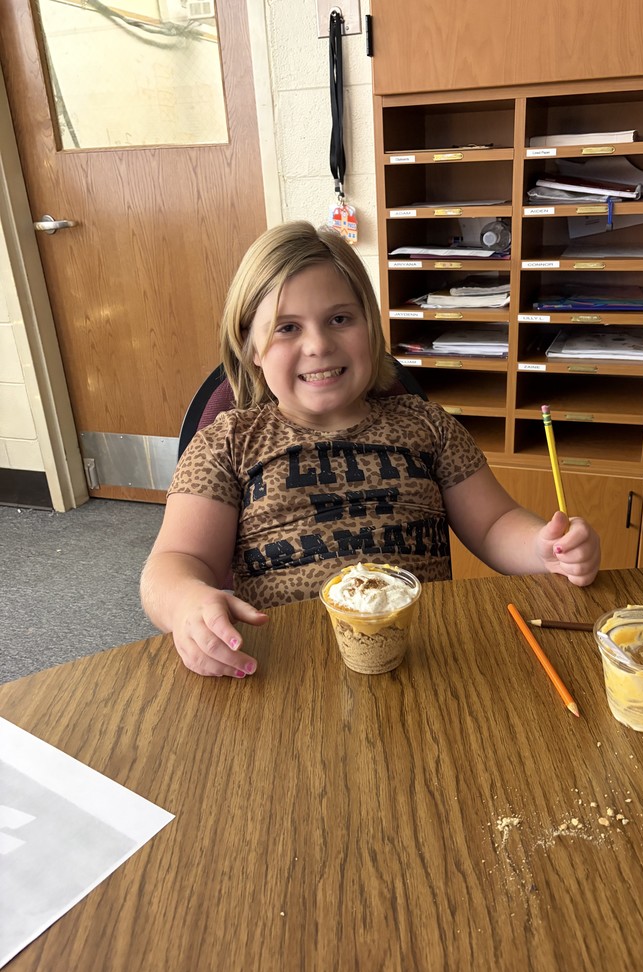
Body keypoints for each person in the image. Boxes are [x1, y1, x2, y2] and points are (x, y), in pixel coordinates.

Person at [141, 221, 600, 677]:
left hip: (423, 657)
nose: (318, 345)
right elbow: (175, 563)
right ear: (251, 348)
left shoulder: (428, 425)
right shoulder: (228, 442)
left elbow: (493, 524)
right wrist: (186, 603)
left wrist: (543, 549)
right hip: (289, 667)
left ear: (370, 326)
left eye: (340, 319)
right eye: (287, 328)